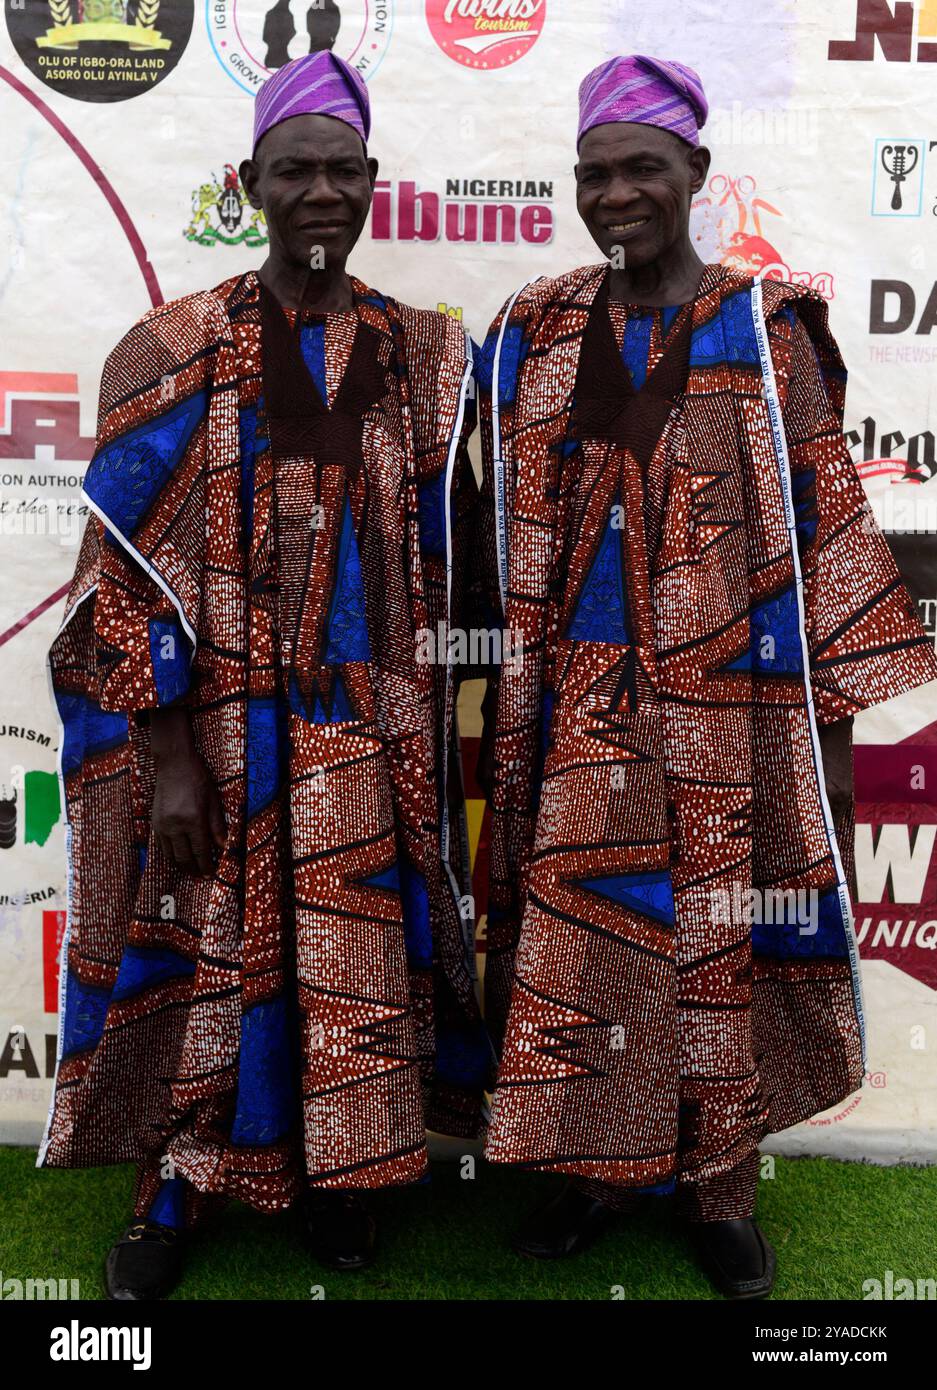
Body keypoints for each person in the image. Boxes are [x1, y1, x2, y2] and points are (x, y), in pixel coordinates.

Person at [472, 53, 937, 1299]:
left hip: (724, 718)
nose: (615, 192)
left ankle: (717, 1186)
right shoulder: (534, 330)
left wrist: (833, 759)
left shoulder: (763, 330)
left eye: (641, 168)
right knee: (578, 951)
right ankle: (584, 1169)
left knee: (713, 949)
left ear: (695, 176)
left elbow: (826, 534)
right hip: (570, 717)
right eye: (594, 174)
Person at [40, 51, 489, 1301]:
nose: (322, 191)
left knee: (355, 964)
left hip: (370, 729)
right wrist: (171, 754)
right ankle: (177, 1183)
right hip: (221, 737)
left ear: (373, 184)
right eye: (296, 169)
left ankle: (345, 1177)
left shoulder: (425, 359)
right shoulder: (171, 348)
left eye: (344, 170)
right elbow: (117, 581)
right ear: (250, 183)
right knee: (206, 957)